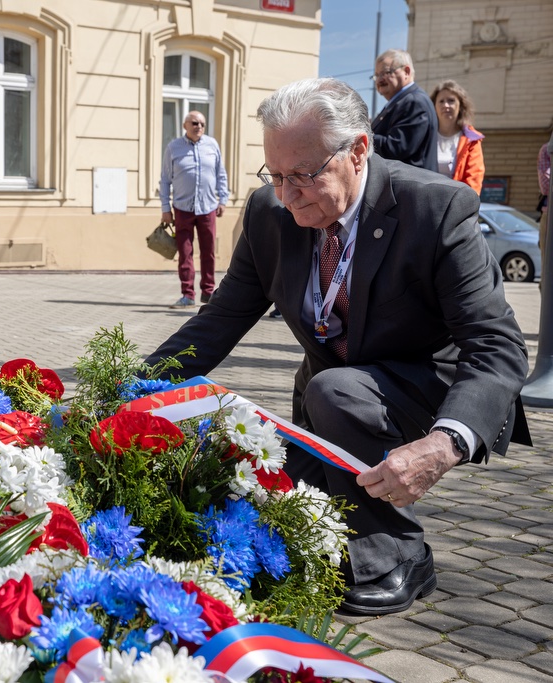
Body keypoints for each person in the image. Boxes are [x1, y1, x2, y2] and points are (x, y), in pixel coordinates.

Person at [146, 78, 530, 617]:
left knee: (336, 394)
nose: (287, 193)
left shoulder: (436, 209)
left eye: (304, 174)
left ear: (357, 150)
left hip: (428, 394)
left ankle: (400, 555)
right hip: (330, 400)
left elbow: (497, 346)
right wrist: (131, 383)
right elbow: (221, 319)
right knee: (280, 502)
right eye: (276, 175)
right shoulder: (268, 214)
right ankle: (353, 532)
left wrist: (445, 443)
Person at [159, 110, 230, 308]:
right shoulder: (173, 147)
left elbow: (220, 174)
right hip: (183, 208)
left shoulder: (212, 145)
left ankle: (208, 293)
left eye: (202, 124)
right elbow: (165, 180)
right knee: (185, 252)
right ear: (185, 126)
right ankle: (187, 294)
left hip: (208, 207)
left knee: (208, 252)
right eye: (194, 123)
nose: (198, 126)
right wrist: (165, 208)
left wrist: (223, 199)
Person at [370, 49, 438, 172]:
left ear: (406, 71)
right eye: (376, 75)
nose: (379, 80)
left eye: (385, 73)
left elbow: (396, 148)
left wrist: (362, 136)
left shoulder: (414, 102)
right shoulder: (399, 102)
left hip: (411, 187)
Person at [430, 80, 485, 194]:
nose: (446, 105)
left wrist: (461, 206)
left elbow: (474, 179)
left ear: (460, 105)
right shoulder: (425, 135)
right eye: (441, 101)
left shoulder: (471, 139)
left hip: (456, 204)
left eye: (451, 101)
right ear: (434, 106)